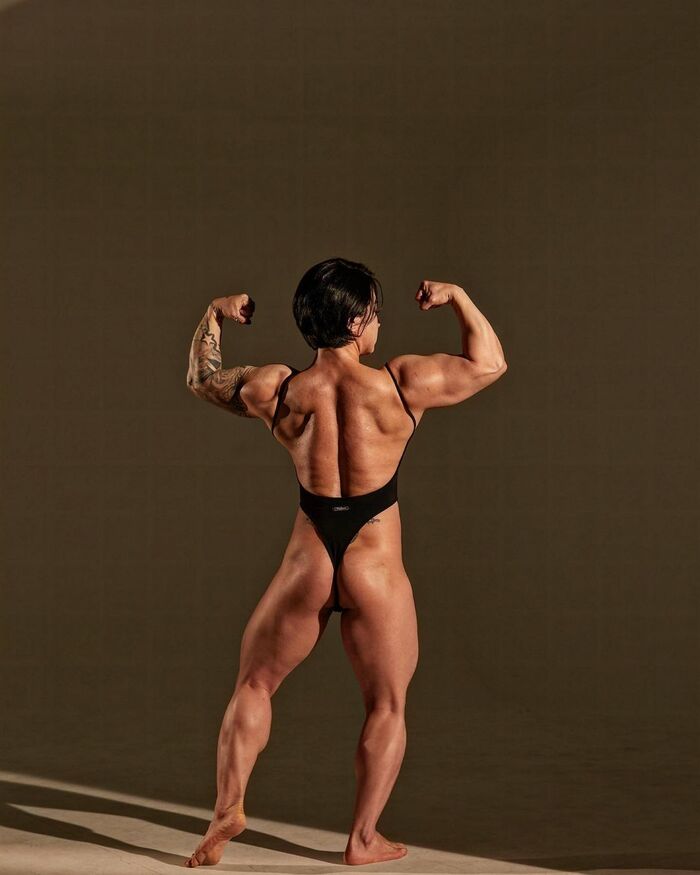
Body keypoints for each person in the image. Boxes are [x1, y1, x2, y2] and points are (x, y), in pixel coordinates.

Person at [184, 257, 507, 867]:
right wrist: (459, 296)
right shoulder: (400, 384)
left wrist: (213, 316)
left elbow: (203, 379)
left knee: (254, 685)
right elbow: (489, 363)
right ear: (357, 322)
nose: (378, 324)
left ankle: (228, 805)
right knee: (387, 705)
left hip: (309, 560)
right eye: (374, 315)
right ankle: (362, 839)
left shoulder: (278, 389)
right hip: (374, 562)